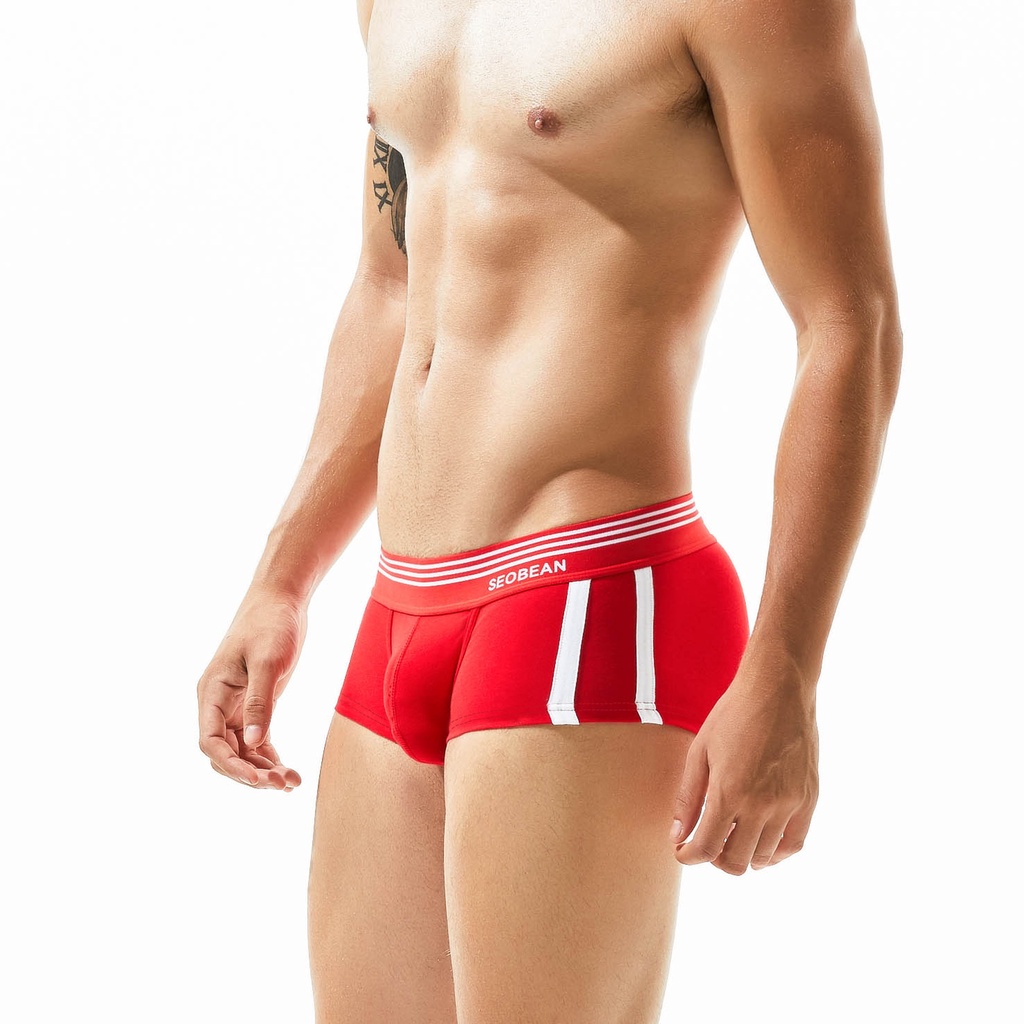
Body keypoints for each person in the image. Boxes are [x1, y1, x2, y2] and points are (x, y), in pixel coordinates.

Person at [197, 0, 902, 1019]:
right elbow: (389, 283)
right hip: (404, 596)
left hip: (590, 587)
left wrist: (787, 665)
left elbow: (847, 323)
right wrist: (283, 577)